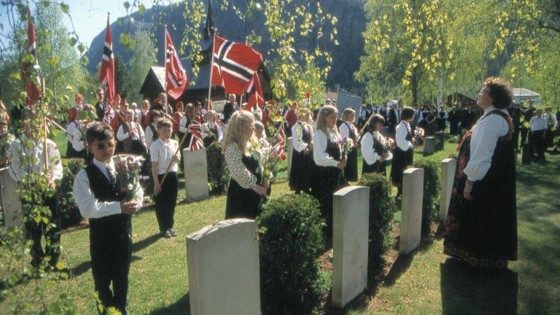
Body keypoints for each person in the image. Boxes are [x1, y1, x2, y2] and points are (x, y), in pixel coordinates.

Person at [444, 77, 517, 268]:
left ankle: (479, 256)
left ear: (492, 97)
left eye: (483, 91)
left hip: (484, 181)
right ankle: (486, 256)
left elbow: (482, 154)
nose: (479, 93)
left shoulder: (492, 120)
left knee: (480, 216)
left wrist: (470, 182)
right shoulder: (496, 116)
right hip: (492, 180)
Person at [73, 122, 143, 313]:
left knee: (122, 277)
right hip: (102, 237)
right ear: (90, 147)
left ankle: (122, 308)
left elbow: (137, 190)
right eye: (100, 146)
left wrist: (136, 203)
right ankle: (104, 311)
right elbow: (87, 208)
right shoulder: (84, 175)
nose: (107, 150)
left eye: (110, 144)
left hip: (123, 233)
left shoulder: (123, 166)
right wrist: (118, 207)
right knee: (102, 280)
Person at [8, 110, 63, 268]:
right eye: (29, 121)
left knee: (53, 224)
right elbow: (15, 169)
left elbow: (57, 166)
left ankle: (53, 259)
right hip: (29, 190)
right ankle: (37, 258)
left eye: (37, 121)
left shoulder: (49, 144)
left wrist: (53, 178)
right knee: (33, 227)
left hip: (48, 190)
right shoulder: (17, 145)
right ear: (24, 123)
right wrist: (34, 179)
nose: (33, 124)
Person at [223, 110, 268, 219]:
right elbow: (239, 171)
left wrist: (266, 178)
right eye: (250, 125)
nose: (253, 128)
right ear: (241, 128)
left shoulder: (253, 143)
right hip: (241, 195)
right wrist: (255, 186)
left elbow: (262, 162)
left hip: (258, 191)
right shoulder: (232, 148)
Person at [312, 105, 347, 236]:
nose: (335, 119)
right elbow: (319, 157)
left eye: (336, 117)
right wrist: (335, 163)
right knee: (327, 202)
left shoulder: (334, 132)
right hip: (325, 174)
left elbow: (340, 150)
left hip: (336, 172)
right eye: (332, 117)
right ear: (324, 117)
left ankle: (337, 226)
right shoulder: (320, 134)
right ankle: (327, 231)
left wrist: (343, 159)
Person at [151, 118, 180, 238]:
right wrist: (156, 183)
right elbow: (154, 166)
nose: (168, 132)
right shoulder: (155, 146)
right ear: (158, 131)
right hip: (161, 176)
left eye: (169, 130)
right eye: (165, 130)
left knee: (172, 202)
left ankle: (170, 226)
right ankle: (164, 228)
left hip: (172, 175)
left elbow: (179, 158)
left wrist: (176, 158)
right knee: (162, 203)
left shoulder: (174, 143)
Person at [390, 107, 415, 198]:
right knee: (401, 170)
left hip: (405, 152)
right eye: (412, 114)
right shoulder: (401, 126)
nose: (413, 116)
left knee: (405, 169)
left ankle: (404, 190)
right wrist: (409, 144)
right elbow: (400, 141)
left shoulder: (406, 124)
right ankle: (400, 191)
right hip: (401, 153)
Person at [289, 108, 314, 194]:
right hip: (300, 152)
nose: (309, 117)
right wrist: (304, 147)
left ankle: (307, 186)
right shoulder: (297, 126)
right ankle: (298, 187)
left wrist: (311, 144)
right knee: (300, 169)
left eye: (309, 115)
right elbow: (297, 140)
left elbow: (312, 137)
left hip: (309, 151)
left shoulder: (309, 127)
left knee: (308, 168)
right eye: (307, 115)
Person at [339, 108, 359, 181]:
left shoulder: (352, 126)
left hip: (353, 148)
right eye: (351, 116)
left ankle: (352, 178)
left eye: (353, 115)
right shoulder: (343, 126)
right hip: (347, 148)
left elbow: (355, 137)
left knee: (353, 163)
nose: (353, 117)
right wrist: (353, 143)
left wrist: (358, 137)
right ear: (346, 116)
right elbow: (344, 138)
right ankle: (347, 178)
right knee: (348, 164)